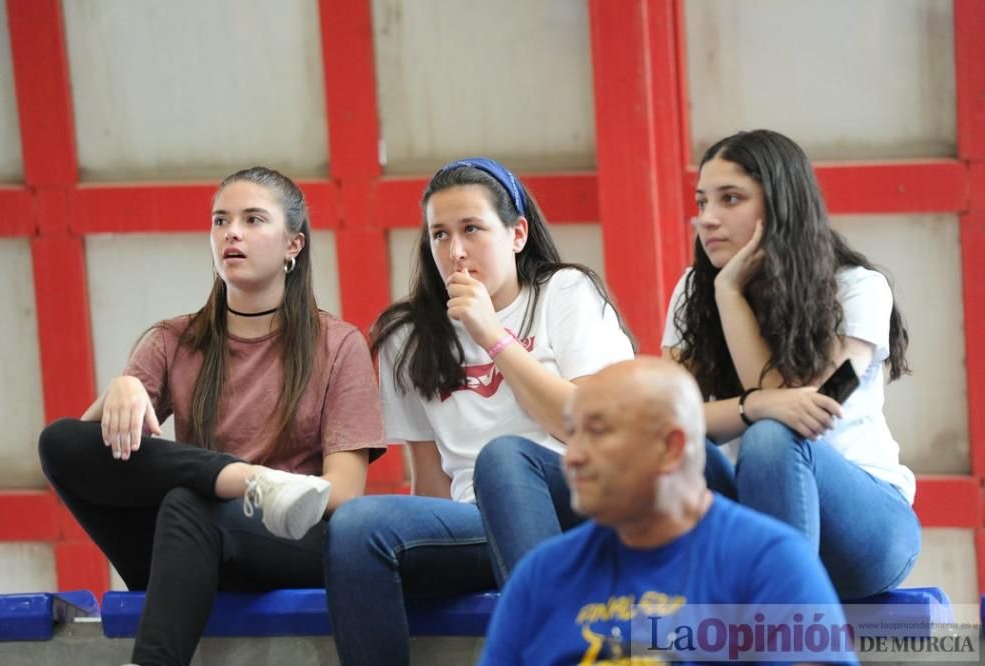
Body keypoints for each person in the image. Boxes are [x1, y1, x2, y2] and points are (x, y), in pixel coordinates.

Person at [37, 166, 385, 666]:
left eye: (252, 219)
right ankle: (246, 479)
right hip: (186, 551)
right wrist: (122, 388)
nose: (232, 232)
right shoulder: (171, 339)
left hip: (291, 546)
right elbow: (90, 462)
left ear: (294, 245)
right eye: (220, 220)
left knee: (188, 502)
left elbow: (346, 492)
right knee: (58, 441)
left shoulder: (338, 343)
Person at [324, 157, 634, 665]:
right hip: (476, 524)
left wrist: (493, 336)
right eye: (440, 235)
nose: (456, 251)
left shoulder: (564, 293)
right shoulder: (407, 336)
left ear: (517, 234)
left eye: (472, 229)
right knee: (356, 526)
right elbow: (430, 482)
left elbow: (588, 429)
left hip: (577, 507)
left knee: (505, 458)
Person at [662, 129, 920, 599]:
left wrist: (731, 296)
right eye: (702, 203)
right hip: (750, 517)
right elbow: (667, 420)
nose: (707, 219)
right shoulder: (693, 291)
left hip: (865, 531)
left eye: (731, 199)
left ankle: (786, 635)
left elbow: (819, 409)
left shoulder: (860, 288)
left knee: (774, 435)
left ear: (782, 204)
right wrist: (724, 296)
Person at [480, 357, 856, 665]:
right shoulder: (541, 574)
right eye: (572, 434)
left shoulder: (769, 562)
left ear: (671, 448)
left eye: (597, 432)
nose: (573, 457)